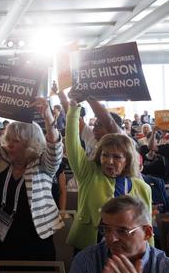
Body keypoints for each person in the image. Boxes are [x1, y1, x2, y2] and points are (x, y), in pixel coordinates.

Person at [0, 93, 63, 263]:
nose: (8, 145)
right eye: (8, 139)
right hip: (0, 239)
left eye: (15, 141)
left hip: (34, 242)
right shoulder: (1, 157)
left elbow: (55, 150)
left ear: (29, 143)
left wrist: (48, 118)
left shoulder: (42, 164)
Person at [65, 98, 152, 252]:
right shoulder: (89, 173)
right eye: (105, 155)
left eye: (117, 157)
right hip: (89, 247)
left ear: (128, 160)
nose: (109, 161)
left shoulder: (142, 188)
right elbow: (72, 145)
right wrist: (73, 109)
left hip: (127, 249)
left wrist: (150, 255)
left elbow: (146, 227)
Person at [68, 195, 169, 273]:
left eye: (122, 231)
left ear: (147, 233)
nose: (111, 239)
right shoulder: (87, 261)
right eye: (106, 229)